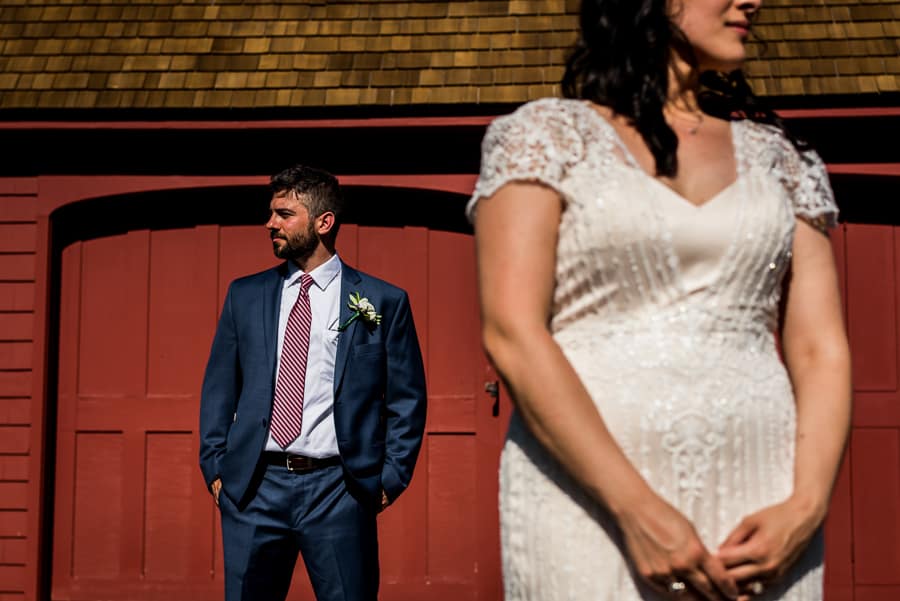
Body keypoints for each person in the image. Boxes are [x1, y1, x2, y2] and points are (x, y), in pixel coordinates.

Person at [467, 0, 852, 600]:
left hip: (762, 503)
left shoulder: (783, 159)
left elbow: (820, 346)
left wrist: (806, 506)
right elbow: (513, 332)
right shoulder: (543, 137)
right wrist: (637, 510)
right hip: (589, 501)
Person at [199, 164, 427, 601]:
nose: (270, 224)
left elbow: (407, 398)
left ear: (324, 222)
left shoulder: (382, 302)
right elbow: (219, 388)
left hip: (339, 491)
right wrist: (215, 466)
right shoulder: (244, 296)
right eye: (271, 213)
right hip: (253, 489)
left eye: (284, 214)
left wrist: (390, 478)